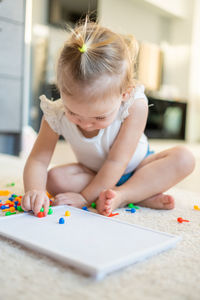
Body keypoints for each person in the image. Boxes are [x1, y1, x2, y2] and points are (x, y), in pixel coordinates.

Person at [21, 19, 195, 217]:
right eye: (74, 114)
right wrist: (34, 190)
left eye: (99, 116)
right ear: (61, 91)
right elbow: (38, 160)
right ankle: (141, 194)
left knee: (184, 158)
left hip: (138, 167)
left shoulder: (135, 105)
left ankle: (123, 194)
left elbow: (116, 162)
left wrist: (85, 197)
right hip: (93, 174)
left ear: (125, 94)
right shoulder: (55, 114)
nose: (86, 123)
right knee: (54, 179)